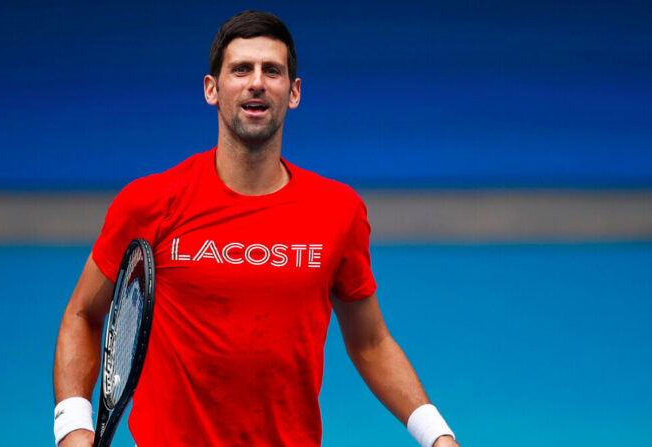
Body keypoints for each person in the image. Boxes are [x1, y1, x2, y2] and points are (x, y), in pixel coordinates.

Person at [53, 10, 459, 447]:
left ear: (294, 92)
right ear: (212, 89)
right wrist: (72, 430)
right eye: (241, 69)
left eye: (273, 71)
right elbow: (83, 314)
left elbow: (372, 343)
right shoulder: (149, 202)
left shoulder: (339, 210)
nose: (257, 82)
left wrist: (437, 436)